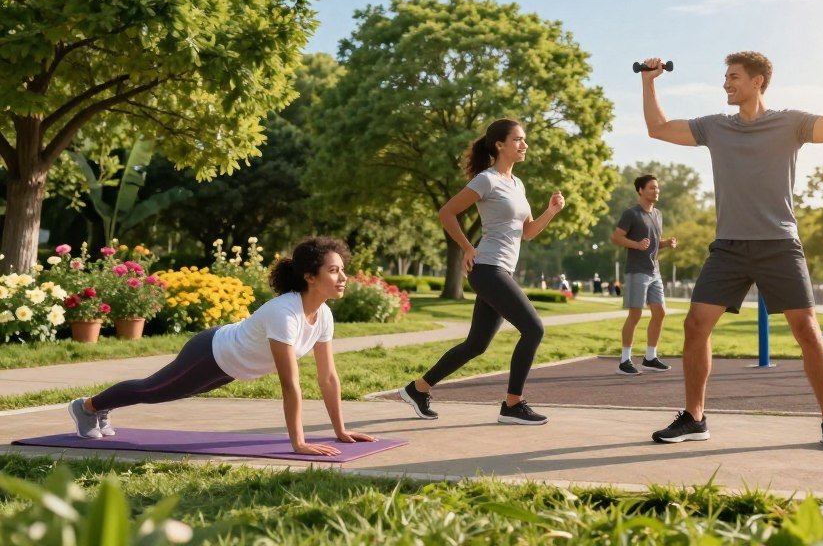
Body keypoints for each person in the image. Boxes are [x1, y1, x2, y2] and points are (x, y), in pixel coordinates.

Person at [641, 50, 823, 451]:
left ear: (758, 81)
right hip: (729, 246)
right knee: (695, 326)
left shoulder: (791, 123)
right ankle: (695, 417)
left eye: (734, 77)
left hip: (779, 244)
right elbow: (658, 128)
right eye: (726, 77)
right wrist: (649, 80)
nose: (726, 84)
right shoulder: (715, 127)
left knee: (807, 331)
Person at [67, 236, 374, 456]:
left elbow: (328, 378)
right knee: (154, 391)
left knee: (167, 391)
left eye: (342, 269)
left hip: (231, 367)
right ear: (310, 276)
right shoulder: (285, 313)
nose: (343, 277)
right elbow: (290, 385)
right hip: (210, 354)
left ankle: (100, 407)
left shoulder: (323, 314)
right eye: (334, 270)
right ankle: (86, 407)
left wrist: (340, 431)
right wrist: (299, 443)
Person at [399, 118, 565, 425]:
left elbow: (527, 233)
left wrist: (550, 212)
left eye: (524, 139)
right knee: (534, 328)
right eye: (518, 139)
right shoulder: (487, 180)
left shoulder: (517, 184)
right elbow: (446, 212)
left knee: (476, 344)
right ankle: (513, 405)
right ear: (500, 145)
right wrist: (466, 247)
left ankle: (417, 390)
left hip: (501, 269)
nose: (524, 144)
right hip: (487, 267)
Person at [612, 174, 677, 375]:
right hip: (636, 271)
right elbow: (616, 238)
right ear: (640, 190)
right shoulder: (631, 214)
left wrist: (666, 244)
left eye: (657, 188)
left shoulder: (658, 214)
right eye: (651, 188)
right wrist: (636, 245)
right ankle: (625, 361)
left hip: (654, 271)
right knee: (635, 314)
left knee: (660, 313)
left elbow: (653, 244)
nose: (656, 191)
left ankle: (650, 357)